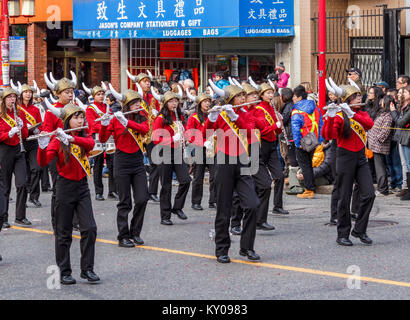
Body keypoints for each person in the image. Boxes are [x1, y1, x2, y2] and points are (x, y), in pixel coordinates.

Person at [37, 103, 99, 284]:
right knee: (63, 232)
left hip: (82, 188)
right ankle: (64, 271)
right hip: (64, 188)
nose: (81, 120)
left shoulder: (81, 137)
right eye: (76, 118)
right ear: (67, 121)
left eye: (82, 117)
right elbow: (43, 162)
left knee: (90, 228)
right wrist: (42, 146)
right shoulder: (56, 140)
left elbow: (91, 144)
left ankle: (87, 269)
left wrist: (71, 139)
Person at [206, 81, 260, 263]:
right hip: (224, 161)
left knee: (252, 204)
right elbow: (206, 133)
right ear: (230, 98)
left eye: (243, 96)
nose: (243, 99)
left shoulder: (246, 114)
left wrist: (235, 116)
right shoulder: (221, 114)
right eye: (239, 96)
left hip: (243, 161)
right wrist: (212, 118)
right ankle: (222, 248)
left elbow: (249, 131)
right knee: (224, 207)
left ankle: (247, 247)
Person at [322, 80, 375, 246]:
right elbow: (328, 135)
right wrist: (330, 118)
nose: (359, 98)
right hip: (344, 157)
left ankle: (359, 230)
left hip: (360, 157)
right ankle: (342, 234)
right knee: (344, 197)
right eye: (355, 96)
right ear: (346, 99)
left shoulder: (360, 113)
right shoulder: (339, 115)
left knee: (369, 194)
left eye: (359, 95)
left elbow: (369, 125)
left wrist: (353, 114)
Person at [99, 88, 150, 247]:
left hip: (137, 161)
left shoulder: (141, 117)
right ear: (127, 105)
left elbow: (145, 130)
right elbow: (102, 138)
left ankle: (135, 232)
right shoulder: (115, 119)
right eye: (134, 103)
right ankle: (123, 236)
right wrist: (104, 124)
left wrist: (126, 122)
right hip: (121, 160)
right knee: (125, 201)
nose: (137, 105)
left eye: (138, 102)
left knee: (142, 198)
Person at [43, 71, 78, 231]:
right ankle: (56, 221)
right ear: (58, 94)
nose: (70, 95)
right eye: (67, 92)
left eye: (71, 92)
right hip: (58, 154)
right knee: (58, 189)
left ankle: (74, 221)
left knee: (77, 187)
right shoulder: (51, 111)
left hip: (75, 152)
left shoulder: (75, 108)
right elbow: (47, 132)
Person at [152, 91, 191, 225]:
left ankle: (177, 207)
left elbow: (185, 130)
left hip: (178, 152)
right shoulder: (160, 118)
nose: (174, 104)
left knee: (186, 180)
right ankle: (165, 215)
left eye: (176, 101)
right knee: (166, 186)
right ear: (166, 103)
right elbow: (156, 138)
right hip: (165, 153)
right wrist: (170, 139)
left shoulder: (179, 116)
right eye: (171, 101)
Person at [126, 70, 161, 203]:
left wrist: (156, 113)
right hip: (137, 133)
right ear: (138, 83)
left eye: (148, 81)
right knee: (136, 163)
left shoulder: (153, 98)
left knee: (156, 162)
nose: (147, 84)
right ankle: (136, 191)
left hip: (151, 133)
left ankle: (152, 191)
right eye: (144, 82)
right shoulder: (132, 97)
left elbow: (158, 114)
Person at [0, 88, 31, 228]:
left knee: (22, 183)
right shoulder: (1, 115)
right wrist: (9, 133)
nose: (12, 100)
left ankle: (20, 216)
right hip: (4, 151)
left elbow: (24, 135)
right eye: (9, 97)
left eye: (14, 97)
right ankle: (4, 217)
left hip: (19, 150)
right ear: (3, 99)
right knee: (5, 186)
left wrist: (23, 127)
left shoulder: (20, 113)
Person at [84, 83, 118, 201]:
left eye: (102, 94)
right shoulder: (90, 108)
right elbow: (91, 124)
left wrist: (109, 128)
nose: (101, 96)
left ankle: (112, 191)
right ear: (94, 96)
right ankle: (99, 192)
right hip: (97, 136)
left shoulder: (108, 107)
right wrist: (104, 126)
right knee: (98, 164)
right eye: (98, 94)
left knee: (112, 164)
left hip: (109, 136)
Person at [291, 85, 323, 199]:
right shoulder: (315, 107)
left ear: (299, 97)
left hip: (303, 141)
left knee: (305, 166)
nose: (293, 99)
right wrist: (320, 139)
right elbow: (320, 123)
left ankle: (309, 189)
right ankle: (310, 188)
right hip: (314, 140)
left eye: (294, 96)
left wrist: (297, 143)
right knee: (309, 164)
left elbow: (295, 129)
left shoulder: (296, 111)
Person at [186, 92, 216, 210]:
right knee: (198, 176)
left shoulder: (212, 116)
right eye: (205, 101)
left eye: (209, 101)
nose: (207, 103)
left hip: (211, 148)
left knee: (215, 176)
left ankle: (213, 201)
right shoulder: (193, 118)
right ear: (199, 104)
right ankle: (196, 202)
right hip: (199, 148)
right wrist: (201, 142)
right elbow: (190, 135)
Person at [18, 83, 43, 208]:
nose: (28, 94)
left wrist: (38, 129)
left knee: (36, 168)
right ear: (21, 94)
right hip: (21, 141)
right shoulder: (17, 108)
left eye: (30, 92)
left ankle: (34, 196)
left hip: (33, 140)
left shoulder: (35, 109)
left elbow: (40, 124)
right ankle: (25, 194)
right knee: (25, 170)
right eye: (25, 92)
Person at [367, 95, 394, 196]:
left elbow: (385, 131)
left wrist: (377, 139)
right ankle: (381, 187)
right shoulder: (382, 114)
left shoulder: (388, 116)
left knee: (380, 168)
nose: (380, 103)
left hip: (380, 145)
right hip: (374, 144)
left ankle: (382, 189)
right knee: (378, 167)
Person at [391, 85, 410, 201]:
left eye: (406, 93)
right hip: (403, 137)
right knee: (406, 165)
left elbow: (401, 122)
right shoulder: (404, 107)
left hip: (408, 138)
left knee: (408, 164)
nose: (402, 95)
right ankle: (407, 189)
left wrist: (393, 112)